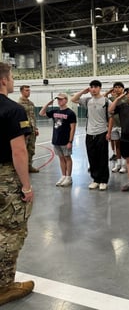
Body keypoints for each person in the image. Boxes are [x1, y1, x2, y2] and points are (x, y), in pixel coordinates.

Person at [0, 62, 35, 305]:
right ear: (3, 80)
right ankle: (4, 286)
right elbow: (19, 152)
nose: (13, 81)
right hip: (6, 176)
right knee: (11, 230)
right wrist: (26, 186)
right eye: (11, 77)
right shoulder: (13, 110)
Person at [71, 80, 110, 191]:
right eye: (91, 87)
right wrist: (83, 91)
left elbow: (111, 116)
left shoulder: (106, 101)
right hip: (89, 133)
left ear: (100, 88)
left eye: (96, 87)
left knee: (102, 157)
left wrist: (108, 132)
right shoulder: (87, 100)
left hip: (102, 132)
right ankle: (95, 179)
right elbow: (73, 99)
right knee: (92, 157)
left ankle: (103, 180)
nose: (93, 89)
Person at [39, 93, 77, 187]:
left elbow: (73, 128)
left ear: (66, 100)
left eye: (61, 99)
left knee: (67, 158)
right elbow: (41, 113)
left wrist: (70, 141)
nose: (59, 101)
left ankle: (69, 177)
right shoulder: (54, 111)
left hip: (65, 140)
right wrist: (48, 104)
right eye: (58, 99)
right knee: (61, 158)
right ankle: (63, 175)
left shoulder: (70, 113)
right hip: (56, 139)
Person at [106, 82, 127, 173]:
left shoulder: (126, 98)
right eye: (115, 87)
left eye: (119, 87)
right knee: (117, 146)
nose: (117, 89)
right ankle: (118, 164)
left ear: (123, 88)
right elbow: (103, 98)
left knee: (124, 145)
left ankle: (124, 165)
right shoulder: (111, 99)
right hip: (114, 125)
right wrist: (108, 91)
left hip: (123, 125)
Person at [18, 85, 39, 173]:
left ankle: (29, 166)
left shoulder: (31, 103)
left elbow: (33, 117)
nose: (28, 92)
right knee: (23, 150)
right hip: (25, 131)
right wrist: (25, 131)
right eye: (26, 90)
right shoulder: (19, 104)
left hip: (32, 130)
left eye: (29, 90)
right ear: (21, 92)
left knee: (31, 149)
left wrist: (35, 128)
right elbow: (20, 119)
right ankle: (22, 168)